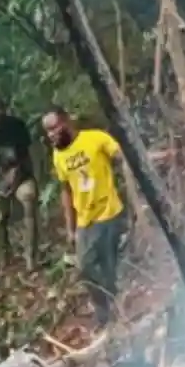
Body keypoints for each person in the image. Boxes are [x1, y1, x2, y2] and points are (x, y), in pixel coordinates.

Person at [44, 107, 129, 332]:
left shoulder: (95, 139)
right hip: (84, 220)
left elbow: (124, 157)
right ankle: (104, 310)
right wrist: (70, 228)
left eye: (54, 128)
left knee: (107, 265)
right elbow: (66, 190)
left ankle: (114, 310)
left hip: (108, 212)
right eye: (47, 132)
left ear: (66, 122)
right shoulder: (58, 155)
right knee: (85, 267)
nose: (51, 135)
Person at [0, 95, 38, 269]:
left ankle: (31, 258)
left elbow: (26, 155)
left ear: (4, 109)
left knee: (29, 199)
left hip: (21, 177)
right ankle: (3, 259)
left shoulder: (17, 126)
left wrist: (16, 175)